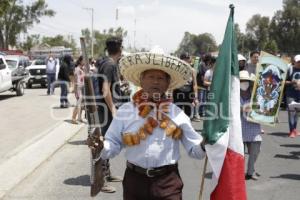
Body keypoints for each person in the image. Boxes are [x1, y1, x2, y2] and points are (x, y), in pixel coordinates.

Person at [93, 51, 206, 200]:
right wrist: (101, 146)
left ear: (167, 83)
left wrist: (205, 143)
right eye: (151, 77)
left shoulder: (177, 114)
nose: (156, 82)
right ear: (141, 80)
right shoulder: (126, 111)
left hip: (168, 184)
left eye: (160, 78)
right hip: (134, 182)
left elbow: (195, 151)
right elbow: (112, 144)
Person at [95, 36, 124, 193]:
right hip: (107, 109)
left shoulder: (104, 62)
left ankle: (107, 173)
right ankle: (101, 180)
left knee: (107, 141)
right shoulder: (110, 64)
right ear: (120, 49)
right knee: (103, 144)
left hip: (104, 108)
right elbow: (105, 91)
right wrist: (113, 108)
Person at [239, 70, 262, 181]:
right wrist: (242, 108)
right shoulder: (233, 94)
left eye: (246, 81)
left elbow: (264, 109)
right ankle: (238, 173)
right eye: (242, 81)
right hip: (239, 127)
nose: (244, 83)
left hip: (253, 127)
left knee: (256, 150)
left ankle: (251, 171)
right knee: (239, 153)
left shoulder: (256, 94)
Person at [172, 52, 199, 120]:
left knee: (188, 114)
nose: (186, 60)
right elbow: (173, 83)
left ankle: (186, 127)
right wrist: (171, 95)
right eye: (184, 59)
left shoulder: (192, 70)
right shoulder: (176, 69)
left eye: (187, 58)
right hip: (178, 93)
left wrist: (195, 97)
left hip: (188, 93)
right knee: (177, 113)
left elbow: (195, 84)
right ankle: (177, 128)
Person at [285, 54, 300, 138]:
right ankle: (291, 130)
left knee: (297, 113)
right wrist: (292, 82)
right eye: (298, 62)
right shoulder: (290, 69)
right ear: (294, 61)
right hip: (291, 94)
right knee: (291, 113)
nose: (299, 63)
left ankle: (294, 129)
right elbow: (284, 81)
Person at [71, 56, 85, 124]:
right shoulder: (77, 69)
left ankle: (79, 117)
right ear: (80, 61)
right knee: (78, 104)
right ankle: (73, 118)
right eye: (84, 60)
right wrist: (75, 90)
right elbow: (76, 80)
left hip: (82, 88)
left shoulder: (82, 69)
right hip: (78, 88)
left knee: (81, 104)